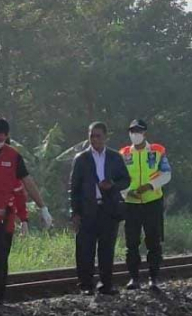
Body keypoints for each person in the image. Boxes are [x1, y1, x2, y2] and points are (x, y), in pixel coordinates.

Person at [0, 118, 54, 307]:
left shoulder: (13, 156)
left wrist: (43, 208)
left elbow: (27, 182)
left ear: (7, 137)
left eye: (1, 139)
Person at [70, 121, 131, 295]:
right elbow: (74, 188)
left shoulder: (114, 157)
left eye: (98, 136)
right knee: (85, 250)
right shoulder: (81, 159)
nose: (94, 139)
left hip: (108, 209)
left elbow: (126, 180)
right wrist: (74, 212)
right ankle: (85, 285)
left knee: (106, 249)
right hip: (87, 209)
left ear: (105, 137)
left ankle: (106, 284)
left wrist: (112, 184)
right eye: (91, 136)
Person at [120, 119, 171, 291]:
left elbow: (166, 174)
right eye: (132, 131)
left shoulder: (157, 150)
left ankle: (153, 278)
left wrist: (150, 185)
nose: (135, 134)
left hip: (152, 202)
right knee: (131, 243)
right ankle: (134, 278)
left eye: (138, 131)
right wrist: (127, 192)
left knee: (153, 242)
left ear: (144, 133)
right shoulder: (124, 153)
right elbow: (118, 179)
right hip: (131, 203)